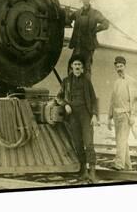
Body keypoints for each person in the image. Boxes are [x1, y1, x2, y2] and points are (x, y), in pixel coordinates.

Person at [56, 54, 99, 183]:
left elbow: (93, 99)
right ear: (71, 66)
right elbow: (58, 97)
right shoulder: (66, 81)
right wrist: (66, 105)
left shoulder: (87, 81)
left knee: (88, 143)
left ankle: (92, 171)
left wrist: (95, 115)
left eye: (79, 65)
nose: (77, 67)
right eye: (75, 64)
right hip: (73, 116)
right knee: (77, 143)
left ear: (82, 67)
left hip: (85, 115)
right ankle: (83, 170)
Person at [107, 56, 137, 171]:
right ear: (115, 68)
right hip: (116, 116)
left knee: (121, 140)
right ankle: (127, 166)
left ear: (125, 67)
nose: (119, 68)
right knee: (122, 140)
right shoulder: (116, 82)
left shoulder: (131, 81)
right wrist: (109, 118)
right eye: (117, 67)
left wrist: (133, 116)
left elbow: (135, 100)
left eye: (121, 66)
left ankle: (119, 164)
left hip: (126, 116)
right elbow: (112, 101)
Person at [67, 0, 109, 78]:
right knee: (71, 66)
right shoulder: (77, 13)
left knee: (86, 68)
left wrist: (95, 30)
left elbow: (106, 23)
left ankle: (86, 89)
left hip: (88, 46)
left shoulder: (95, 13)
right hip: (78, 45)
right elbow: (68, 19)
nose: (84, 0)